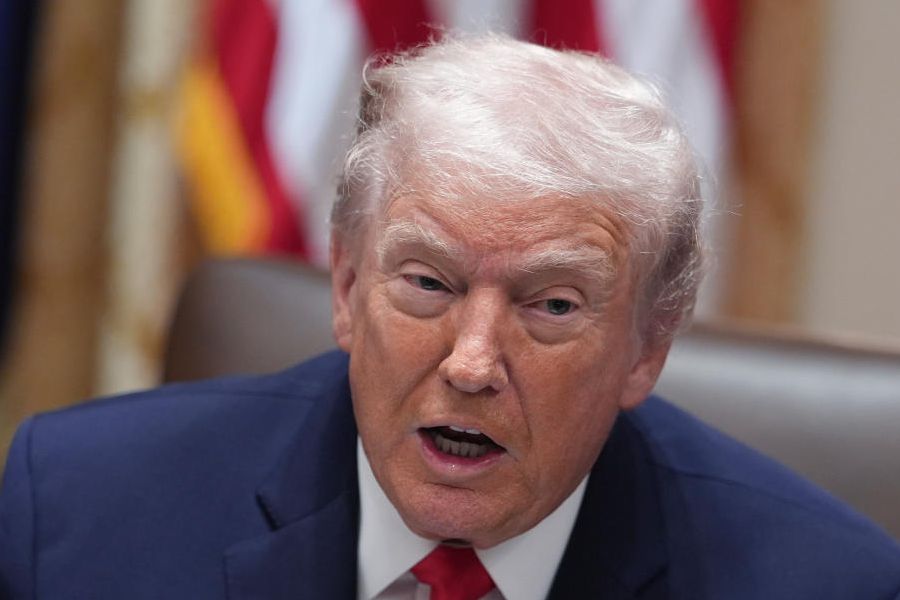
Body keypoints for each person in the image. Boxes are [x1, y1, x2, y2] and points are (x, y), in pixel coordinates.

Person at [1, 34, 899, 600]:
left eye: (550, 305)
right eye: (428, 283)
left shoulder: (824, 581)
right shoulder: (79, 508)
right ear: (348, 288)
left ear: (647, 347)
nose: (473, 363)